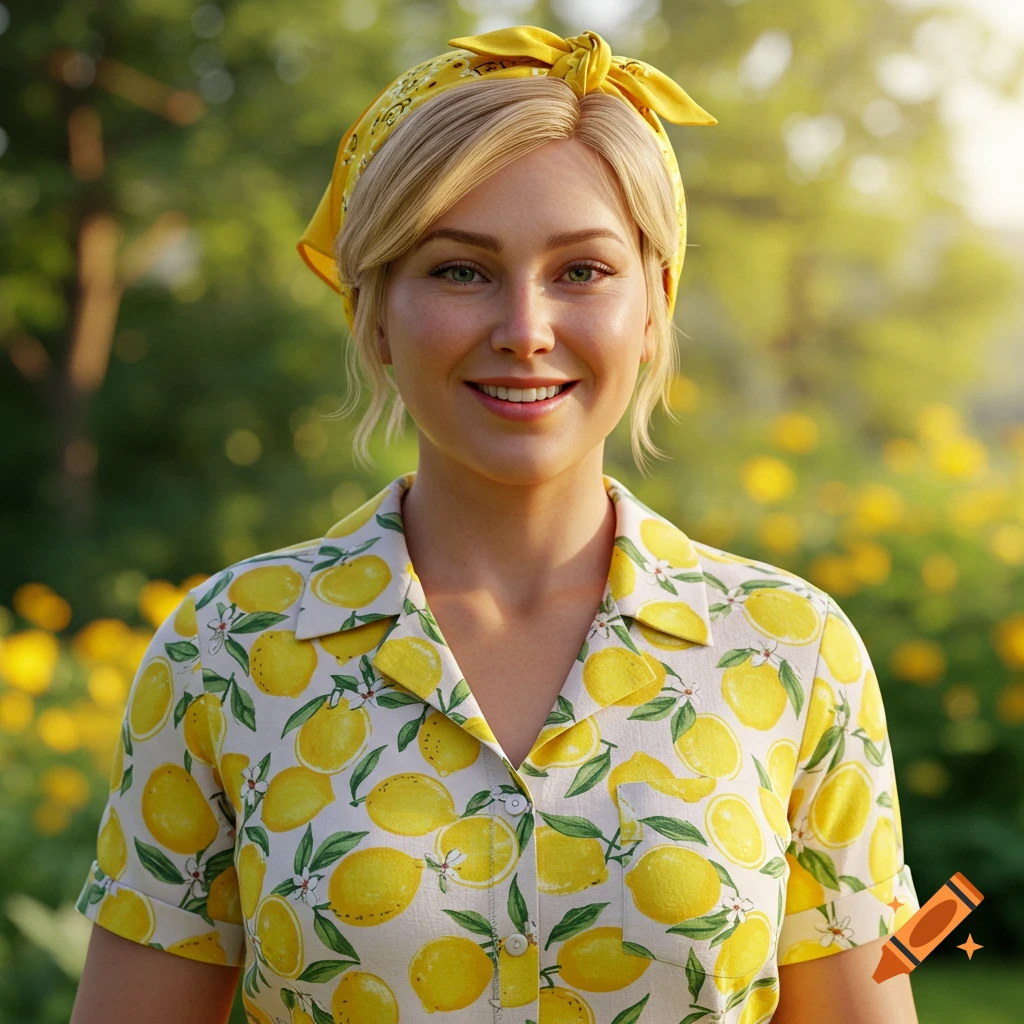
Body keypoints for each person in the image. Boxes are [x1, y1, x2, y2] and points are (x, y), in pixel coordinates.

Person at [70, 25, 921, 1024]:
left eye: (583, 271)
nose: (524, 327)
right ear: (375, 311)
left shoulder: (793, 651)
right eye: (460, 270)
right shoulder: (226, 650)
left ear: (654, 307)